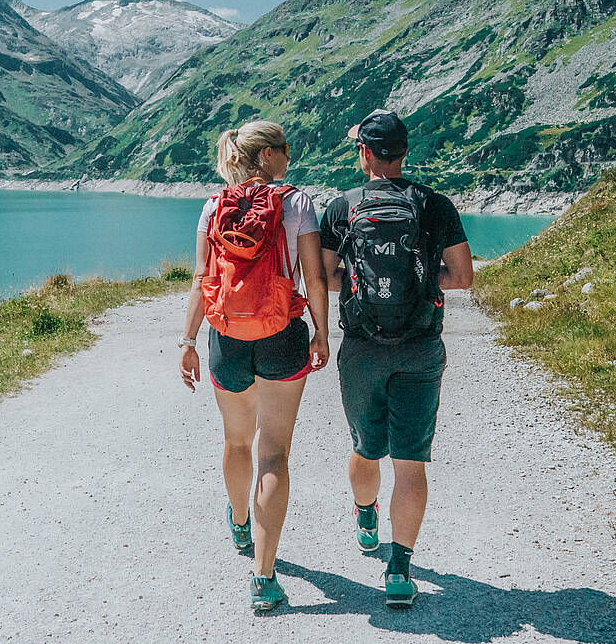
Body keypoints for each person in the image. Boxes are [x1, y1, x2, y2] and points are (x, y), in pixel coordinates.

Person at [319, 109, 472, 609]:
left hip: (362, 349)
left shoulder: (342, 207)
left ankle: (366, 514)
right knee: (410, 461)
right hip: (421, 347)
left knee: (366, 447)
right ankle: (400, 569)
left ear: (364, 153)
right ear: (404, 152)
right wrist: (424, 285)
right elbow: (463, 276)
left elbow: (324, 276)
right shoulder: (434, 204)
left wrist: (362, 287)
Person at [178, 119, 329, 614]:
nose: (289, 155)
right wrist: (323, 335)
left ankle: (240, 520)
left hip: (226, 338)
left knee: (236, 441)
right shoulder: (298, 202)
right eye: (283, 148)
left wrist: (187, 340)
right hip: (282, 335)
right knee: (275, 455)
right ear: (265, 155)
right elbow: (315, 276)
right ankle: (263, 578)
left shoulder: (212, 206)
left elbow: (203, 278)